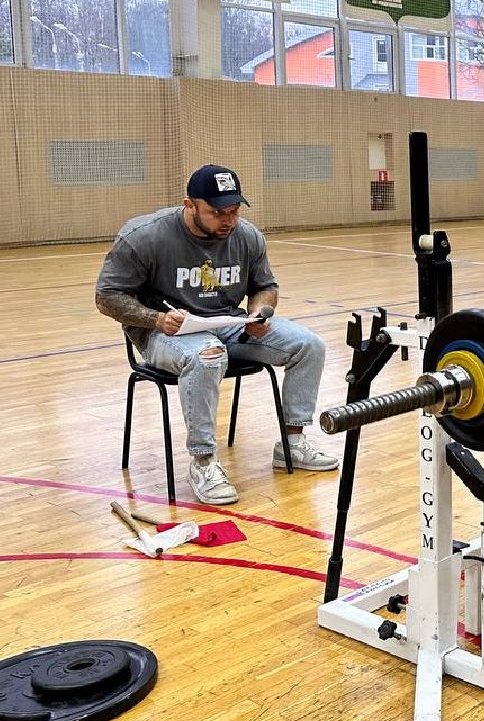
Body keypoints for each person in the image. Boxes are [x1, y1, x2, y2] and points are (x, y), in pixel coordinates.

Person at [94, 165, 338, 506]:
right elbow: (106, 297)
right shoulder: (145, 237)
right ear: (190, 205)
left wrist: (261, 313)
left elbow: (265, 286)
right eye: (217, 212)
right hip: (164, 333)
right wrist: (155, 318)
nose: (228, 221)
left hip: (229, 324)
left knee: (309, 345)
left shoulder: (247, 236)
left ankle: (292, 444)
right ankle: (203, 461)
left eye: (234, 211)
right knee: (208, 354)